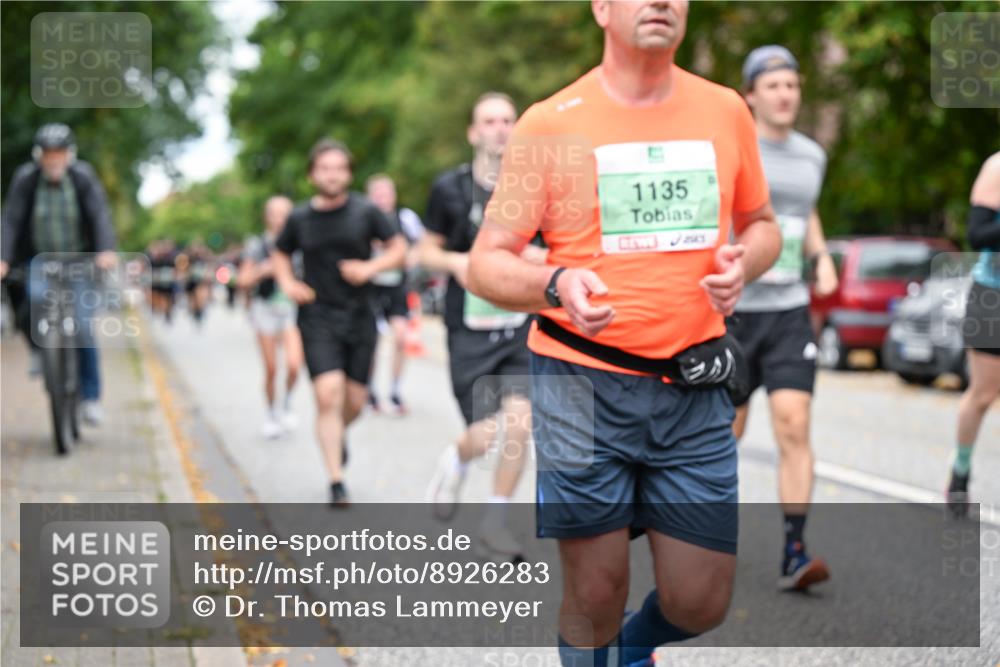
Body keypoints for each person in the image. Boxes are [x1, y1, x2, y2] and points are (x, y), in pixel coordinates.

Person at [467, 2, 781, 664]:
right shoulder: (547, 123)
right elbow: (486, 261)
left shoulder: (725, 110)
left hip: (692, 386)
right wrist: (556, 283)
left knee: (701, 599)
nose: (662, 1)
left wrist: (744, 260)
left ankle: (634, 650)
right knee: (596, 590)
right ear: (602, 8)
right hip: (578, 382)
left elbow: (762, 223)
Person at [727, 45, 836, 590]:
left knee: (794, 424)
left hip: (790, 309)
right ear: (751, 95)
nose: (785, 94)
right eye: (773, 86)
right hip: (736, 314)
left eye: (792, 85)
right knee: (728, 433)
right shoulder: (731, 149)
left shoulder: (812, 155)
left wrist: (820, 258)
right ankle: (696, 534)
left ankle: (795, 550)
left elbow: (802, 210)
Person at [421, 92, 544, 562]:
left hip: (519, 326)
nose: (500, 128)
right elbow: (424, 252)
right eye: (489, 121)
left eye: (508, 120)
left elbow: (556, 248)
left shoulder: (533, 187)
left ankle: (495, 520)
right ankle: (457, 455)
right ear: (474, 133)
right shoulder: (448, 189)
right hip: (469, 327)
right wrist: (460, 261)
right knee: (486, 432)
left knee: (521, 421)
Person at [271, 138, 406, 507]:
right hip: (317, 316)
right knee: (326, 394)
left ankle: (335, 435)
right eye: (324, 168)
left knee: (355, 401)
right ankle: (336, 480)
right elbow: (280, 254)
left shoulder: (366, 212)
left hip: (360, 315)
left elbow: (399, 248)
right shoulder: (300, 218)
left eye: (339, 168)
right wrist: (287, 283)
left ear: (348, 173)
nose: (332, 175)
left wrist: (371, 268)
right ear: (313, 174)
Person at [1, 123, 118, 425]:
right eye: (49, 154)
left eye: (60, 153)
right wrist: (3, 257)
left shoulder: (83, 177)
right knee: (31, 302)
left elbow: (99, 215)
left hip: (79, 260)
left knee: (82, 324)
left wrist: (105, 250)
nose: (54, 160)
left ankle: (91, 397)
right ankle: (40, 353)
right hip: (40, 259)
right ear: (39, 156)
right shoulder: (26, 179)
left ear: (69, 154)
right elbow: (11, 220)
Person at [948, 151, 1000, 517]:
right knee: (983, 395)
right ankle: (960, 473)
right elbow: (977, 233)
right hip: (993, 296)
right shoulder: (997, 167)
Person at [239, 195, 304, 439]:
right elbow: (243, 280)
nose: (280, 219)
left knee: (295, 365)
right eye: (275, 214)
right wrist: (262, 270)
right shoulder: (258, 246)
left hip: (292, 310)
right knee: (271, 368)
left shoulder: (301, 245)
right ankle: (271, 413)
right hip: (265, 309)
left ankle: (287, 402)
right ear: (267, 217)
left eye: (284, 214)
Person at [365, 173, 425, 415]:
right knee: (370, 342)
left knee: (401, 337)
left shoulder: (405, 218)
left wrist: (411, 257)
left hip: (397, 287)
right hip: (371, 288)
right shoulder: (362, 219)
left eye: (386, 193)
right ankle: (369, 390)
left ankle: (395, 390)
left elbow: (423, 243)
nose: (382, 199)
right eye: (376, 194)